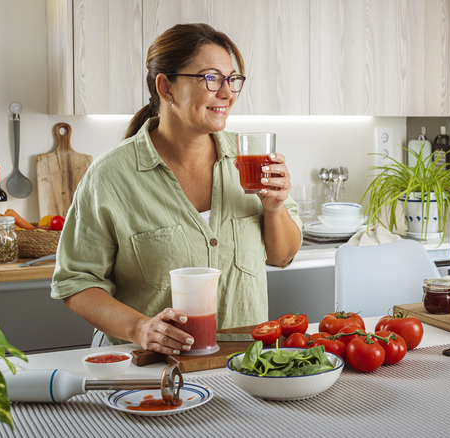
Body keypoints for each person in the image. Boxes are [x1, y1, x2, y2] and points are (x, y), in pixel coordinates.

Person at [51, 23, 302, 355]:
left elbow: (282, 256)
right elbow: (77, 282)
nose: (227, 93)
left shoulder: (249, 161)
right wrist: (140, 328)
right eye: (211, 78)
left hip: (246, 365)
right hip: (156, 372)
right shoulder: (111, 177)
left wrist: (275, 208)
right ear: (166, 87)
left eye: (232, 79)